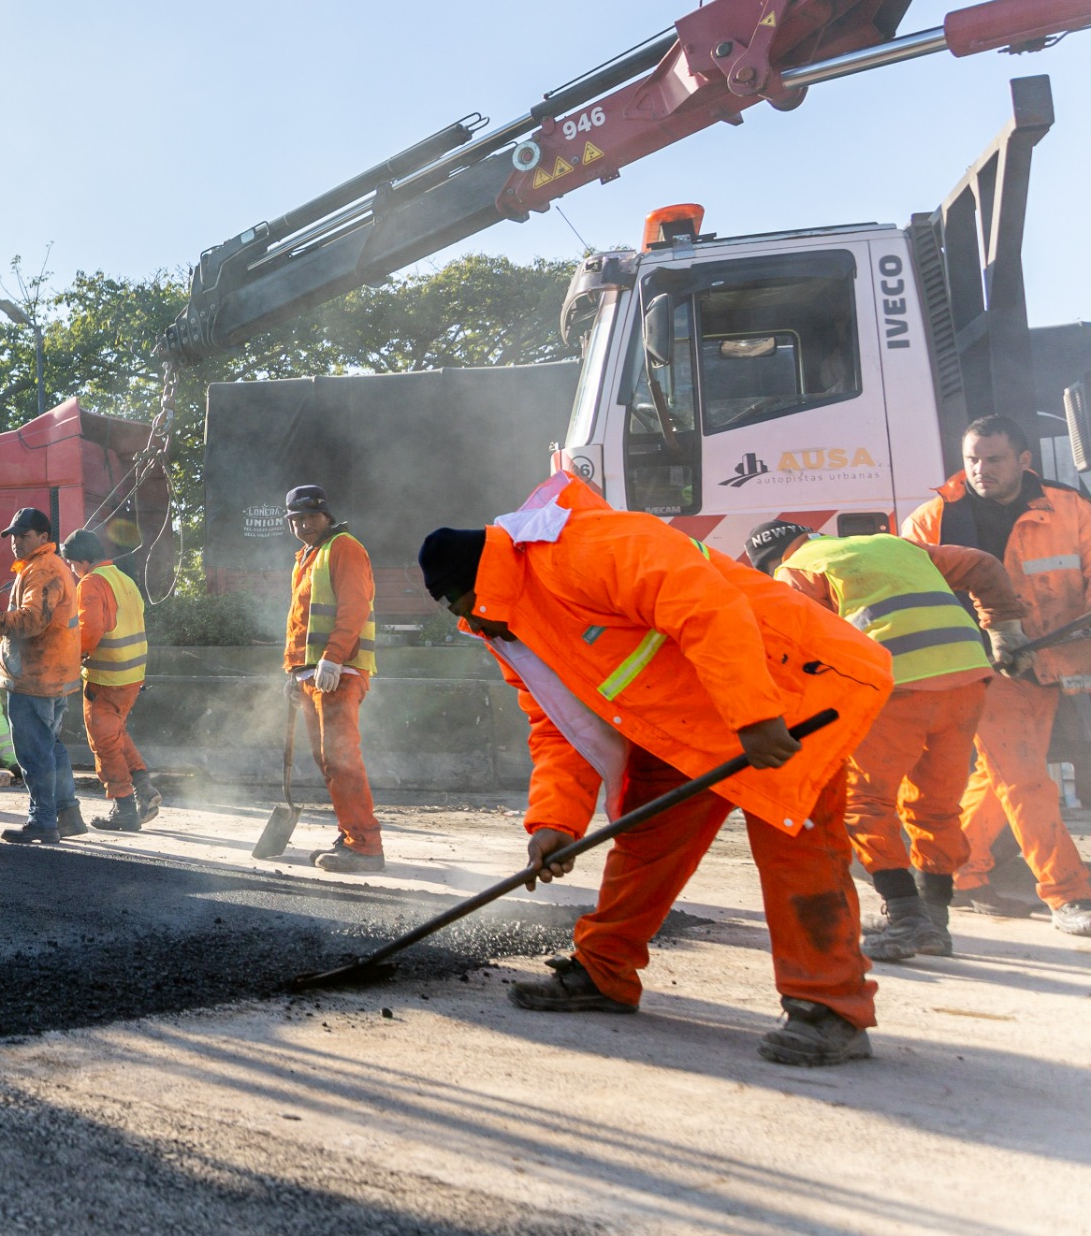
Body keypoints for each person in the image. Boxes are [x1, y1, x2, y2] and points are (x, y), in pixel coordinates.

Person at [419, 473, 892, 1067]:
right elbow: (562, 727)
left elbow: (706, 607)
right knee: (645, 844)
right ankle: (604, 972)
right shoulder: (512, 630)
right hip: (688, 729)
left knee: (800, 855)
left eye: (467, 612)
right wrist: (555, 822)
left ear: (474, 589)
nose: (475, 627)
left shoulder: (588, 547)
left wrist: (753, 715)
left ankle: (830, 1009)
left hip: (786, 698)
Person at [747, 519, 1025, 961]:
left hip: (896, 690)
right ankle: (934, 920)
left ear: (767, 563)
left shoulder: (794, 571)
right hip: (965, 680)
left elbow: (795, 648)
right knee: (936, 805)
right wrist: (1004, 631)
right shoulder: (894, 546)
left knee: (866, 803)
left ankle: (906, 916)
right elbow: (982, 565)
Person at [904, 415, 1091, 937]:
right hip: (975, 668)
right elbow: (908, 591)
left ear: (1024, 461)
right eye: (972, 460)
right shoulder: (934, 518)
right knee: (1024, 777)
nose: (980, 470)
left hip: (1049, 663)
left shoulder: (1069, 508)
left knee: (998, 776)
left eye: (994, 459)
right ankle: (1068, 893)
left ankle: (956, 871)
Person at [282, 484, 383, 873]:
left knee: (341, 758)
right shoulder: (308, 556)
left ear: (327, 516)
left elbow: (354, 607)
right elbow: (301, 623)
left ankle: (365, 847)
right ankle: (352, 835)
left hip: (339, 671)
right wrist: (295, 671)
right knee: (329, 760)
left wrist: (332, 658)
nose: (305, 524)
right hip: (319, 673)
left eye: (312, 516)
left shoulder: (343, 548)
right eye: (297, 519)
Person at [0, 507, 82, 844]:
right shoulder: (47, 566)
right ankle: (68, 814)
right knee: (50, 746)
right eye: (13, 536)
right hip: (52, 675)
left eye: (24, 535)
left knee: (35, 752)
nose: (16, 541)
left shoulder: (42, 569)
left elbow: (32, 619)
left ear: (43, 537)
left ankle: (43, 820)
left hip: (35, 677)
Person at [64, 528, 160, 830]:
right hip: (131, 675)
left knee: (103, 742)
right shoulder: (123, 579)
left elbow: (89, 631)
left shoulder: (92, 583)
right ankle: (143, 787)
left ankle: (124, 809)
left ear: (81, 561)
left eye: (71, 564)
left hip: (107, 677)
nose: (72, 570)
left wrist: (68, 660)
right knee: (116, 732)